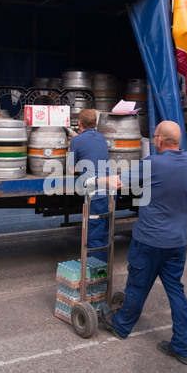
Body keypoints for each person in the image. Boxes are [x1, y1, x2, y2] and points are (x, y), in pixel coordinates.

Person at [87, 120, 187, 365]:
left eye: (154, 136)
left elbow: (117, 182)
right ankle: (184, 347)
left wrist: (93, 180)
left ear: (159, 140)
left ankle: (120, 325)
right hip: (176, 242)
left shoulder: (154, 163)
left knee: (137, 286)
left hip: (149, 240)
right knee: (176, 291)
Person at [66, 109, 111, 262]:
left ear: (79, 123)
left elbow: (71, 169)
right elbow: (88, 143)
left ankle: (96, 274)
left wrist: (72, 149)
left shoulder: (76, 141)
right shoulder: (101, 137)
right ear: (95, 123)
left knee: (94, 237)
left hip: (95, 194)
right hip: (110, 192)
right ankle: (104, 270)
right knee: (104, 233)